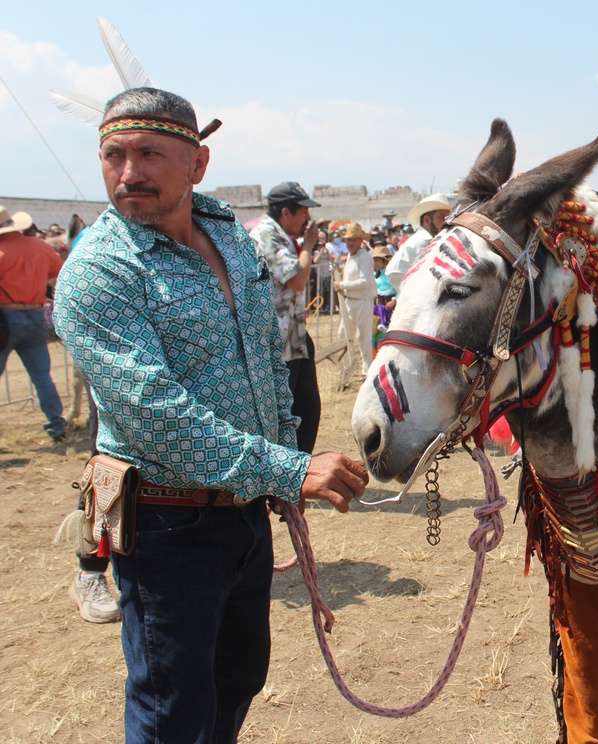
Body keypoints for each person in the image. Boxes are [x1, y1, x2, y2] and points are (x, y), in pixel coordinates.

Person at [52, 87, 369, 743]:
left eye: (150, 154)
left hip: (244, 515)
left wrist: (279, 473)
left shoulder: (227, 236)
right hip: (167, 524)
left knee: (237, 678)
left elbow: (266, 360)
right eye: (114, 155)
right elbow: (153, 415)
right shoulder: (99, 270)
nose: (129, 172)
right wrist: (287, 468)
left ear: (197, 165)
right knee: (174, 708)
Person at [251, 182, 322, 453]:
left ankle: (300, 469)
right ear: (286, 212)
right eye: (304, 211)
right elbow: (297, 279)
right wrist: (310, 245)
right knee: (288, 412)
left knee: (307, 408)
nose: (307, 219)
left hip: (293, 336)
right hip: (277, 340)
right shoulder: (269, 234)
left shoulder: (280, 234)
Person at [0, 205, 67, 443]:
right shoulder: (40, 246)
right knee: (42, 376)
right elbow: (57, 273)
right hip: (35, 316)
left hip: (4, 319)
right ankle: (57, 426)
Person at [385, 193, 452, 291]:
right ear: (427, 220)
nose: (446, 222)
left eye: (448, 218)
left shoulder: (437, 240)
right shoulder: (417, 243)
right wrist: (415, 294)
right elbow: (394, 272)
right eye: (442, 217)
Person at [335, 222, 376, 377]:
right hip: (349, 301)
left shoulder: (365, 257)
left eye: (353, 239)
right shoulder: (350, 257)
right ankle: (346, 369)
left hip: (363, 301)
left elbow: (364, 282)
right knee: (343, 335)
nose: (350, 243)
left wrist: (342, 284)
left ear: (360, 241)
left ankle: (367, 372)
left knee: (363, 336)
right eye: (348, 240)